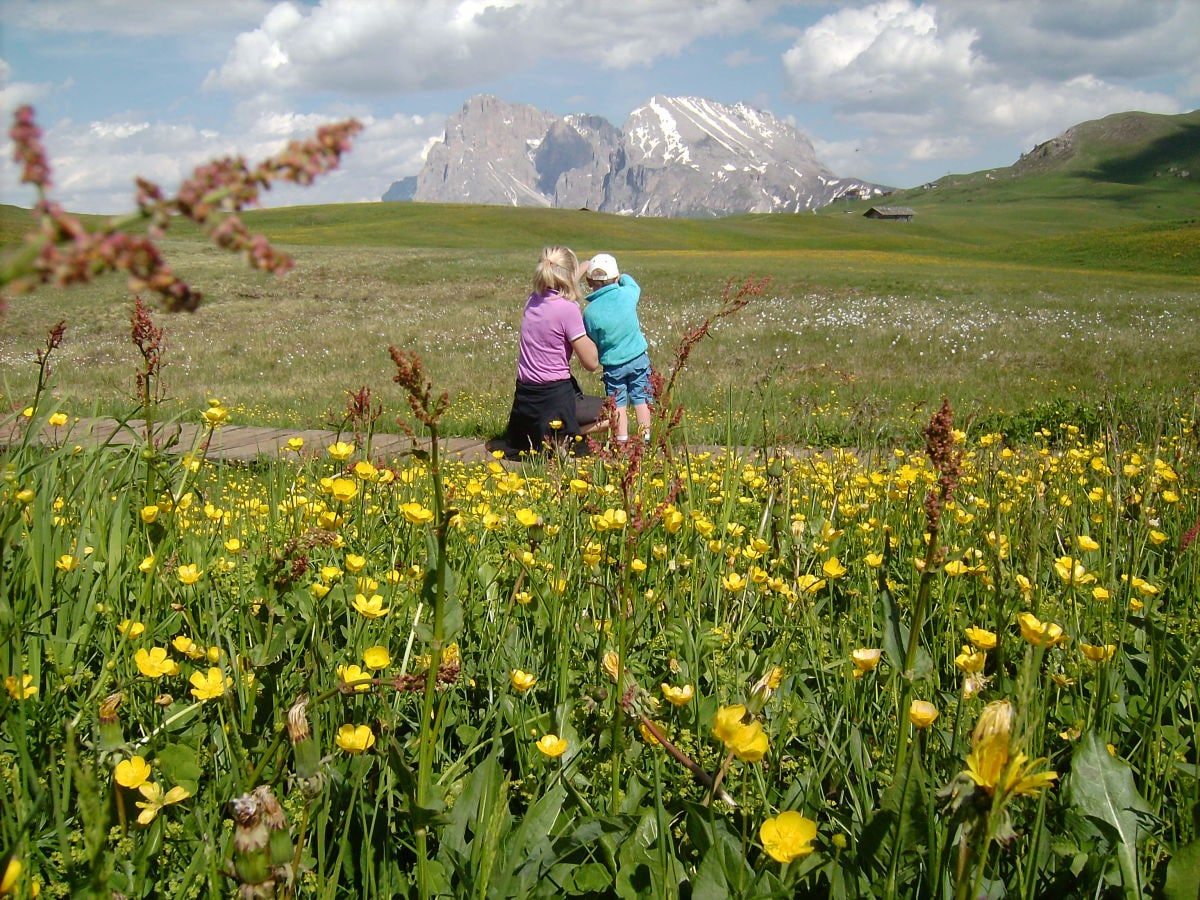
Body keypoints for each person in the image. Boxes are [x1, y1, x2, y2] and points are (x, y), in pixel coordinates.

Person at [495, 246, 607, 457]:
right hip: (555, 398)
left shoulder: (532, 300)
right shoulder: (567, 309)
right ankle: (567, 436)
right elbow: (591, 363)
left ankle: (547, 436)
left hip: (527, 402)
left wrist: (579, 270)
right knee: (614, 411)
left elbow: (556, 282)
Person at [582, 253, 652, 443]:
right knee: (641, 397)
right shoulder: (626, 294)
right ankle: (644, 437)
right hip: (638, 358)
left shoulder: (590, 312)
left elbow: (592, 339)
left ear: (589, 282)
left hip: (613, 365)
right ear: (616, 277)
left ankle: (621, 439)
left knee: (618, 403)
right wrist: (624, 277)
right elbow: (633, 285)